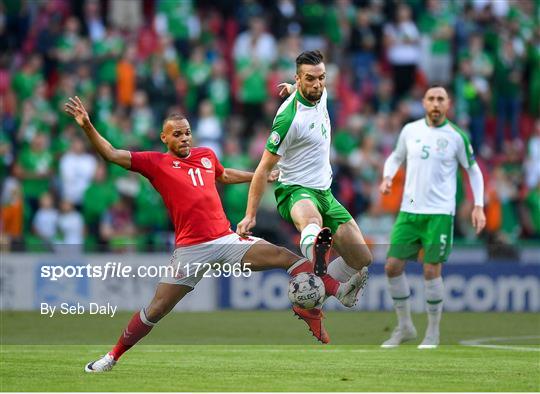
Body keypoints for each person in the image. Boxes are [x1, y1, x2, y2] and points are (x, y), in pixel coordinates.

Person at [63, 96, 365, 373]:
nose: (184, 138)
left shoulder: (206, 155)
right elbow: (112, 154)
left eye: (187, 132)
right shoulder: (155, 163)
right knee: (156, 309)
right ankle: (112, 357)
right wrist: (88, 125)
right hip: (191, 250)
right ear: (164, 137)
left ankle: (328, 297)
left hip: (226, 240)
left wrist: (261, 175)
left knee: (291, 259)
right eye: (177, 134)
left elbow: (224, 174)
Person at [236, 51, 372, 343]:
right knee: (311, 220)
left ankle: (311, 292)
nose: (317, 84)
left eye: (321, 78)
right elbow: (262, 170)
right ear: (300, 79)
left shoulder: (318, 93)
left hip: (325, 192)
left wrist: (290, 86)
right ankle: (320, 261)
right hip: (294, 191)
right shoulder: (288, 119)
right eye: (309, 79)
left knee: (362, 258)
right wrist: (250, 214)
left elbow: (304, 88)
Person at [379, 86, 486, 349]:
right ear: (424, 103)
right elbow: (395, 157)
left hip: (439, 212)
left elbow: (473, 171)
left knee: (430, 269)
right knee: (392, 266)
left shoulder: (456, 137)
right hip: (410, 209)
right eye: (431, 99)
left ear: (448, 104)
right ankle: (405, 327)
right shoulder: (410, 130)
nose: (435, 103)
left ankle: (433, 333)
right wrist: (387, 177)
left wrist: (478, 205)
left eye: (440, 99)